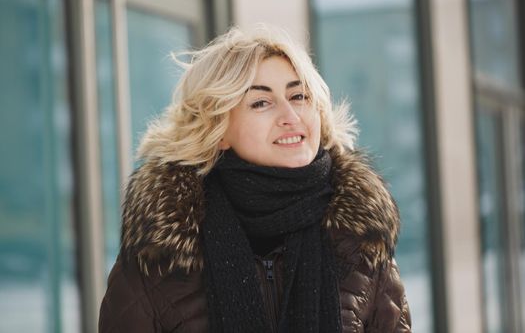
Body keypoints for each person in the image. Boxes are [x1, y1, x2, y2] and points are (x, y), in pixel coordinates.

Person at [99, 26, 412, 333]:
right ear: (218, 128)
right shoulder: (159, 256)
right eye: (261, 102)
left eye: (299, 95)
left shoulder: (360, 242)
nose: (290, 115)